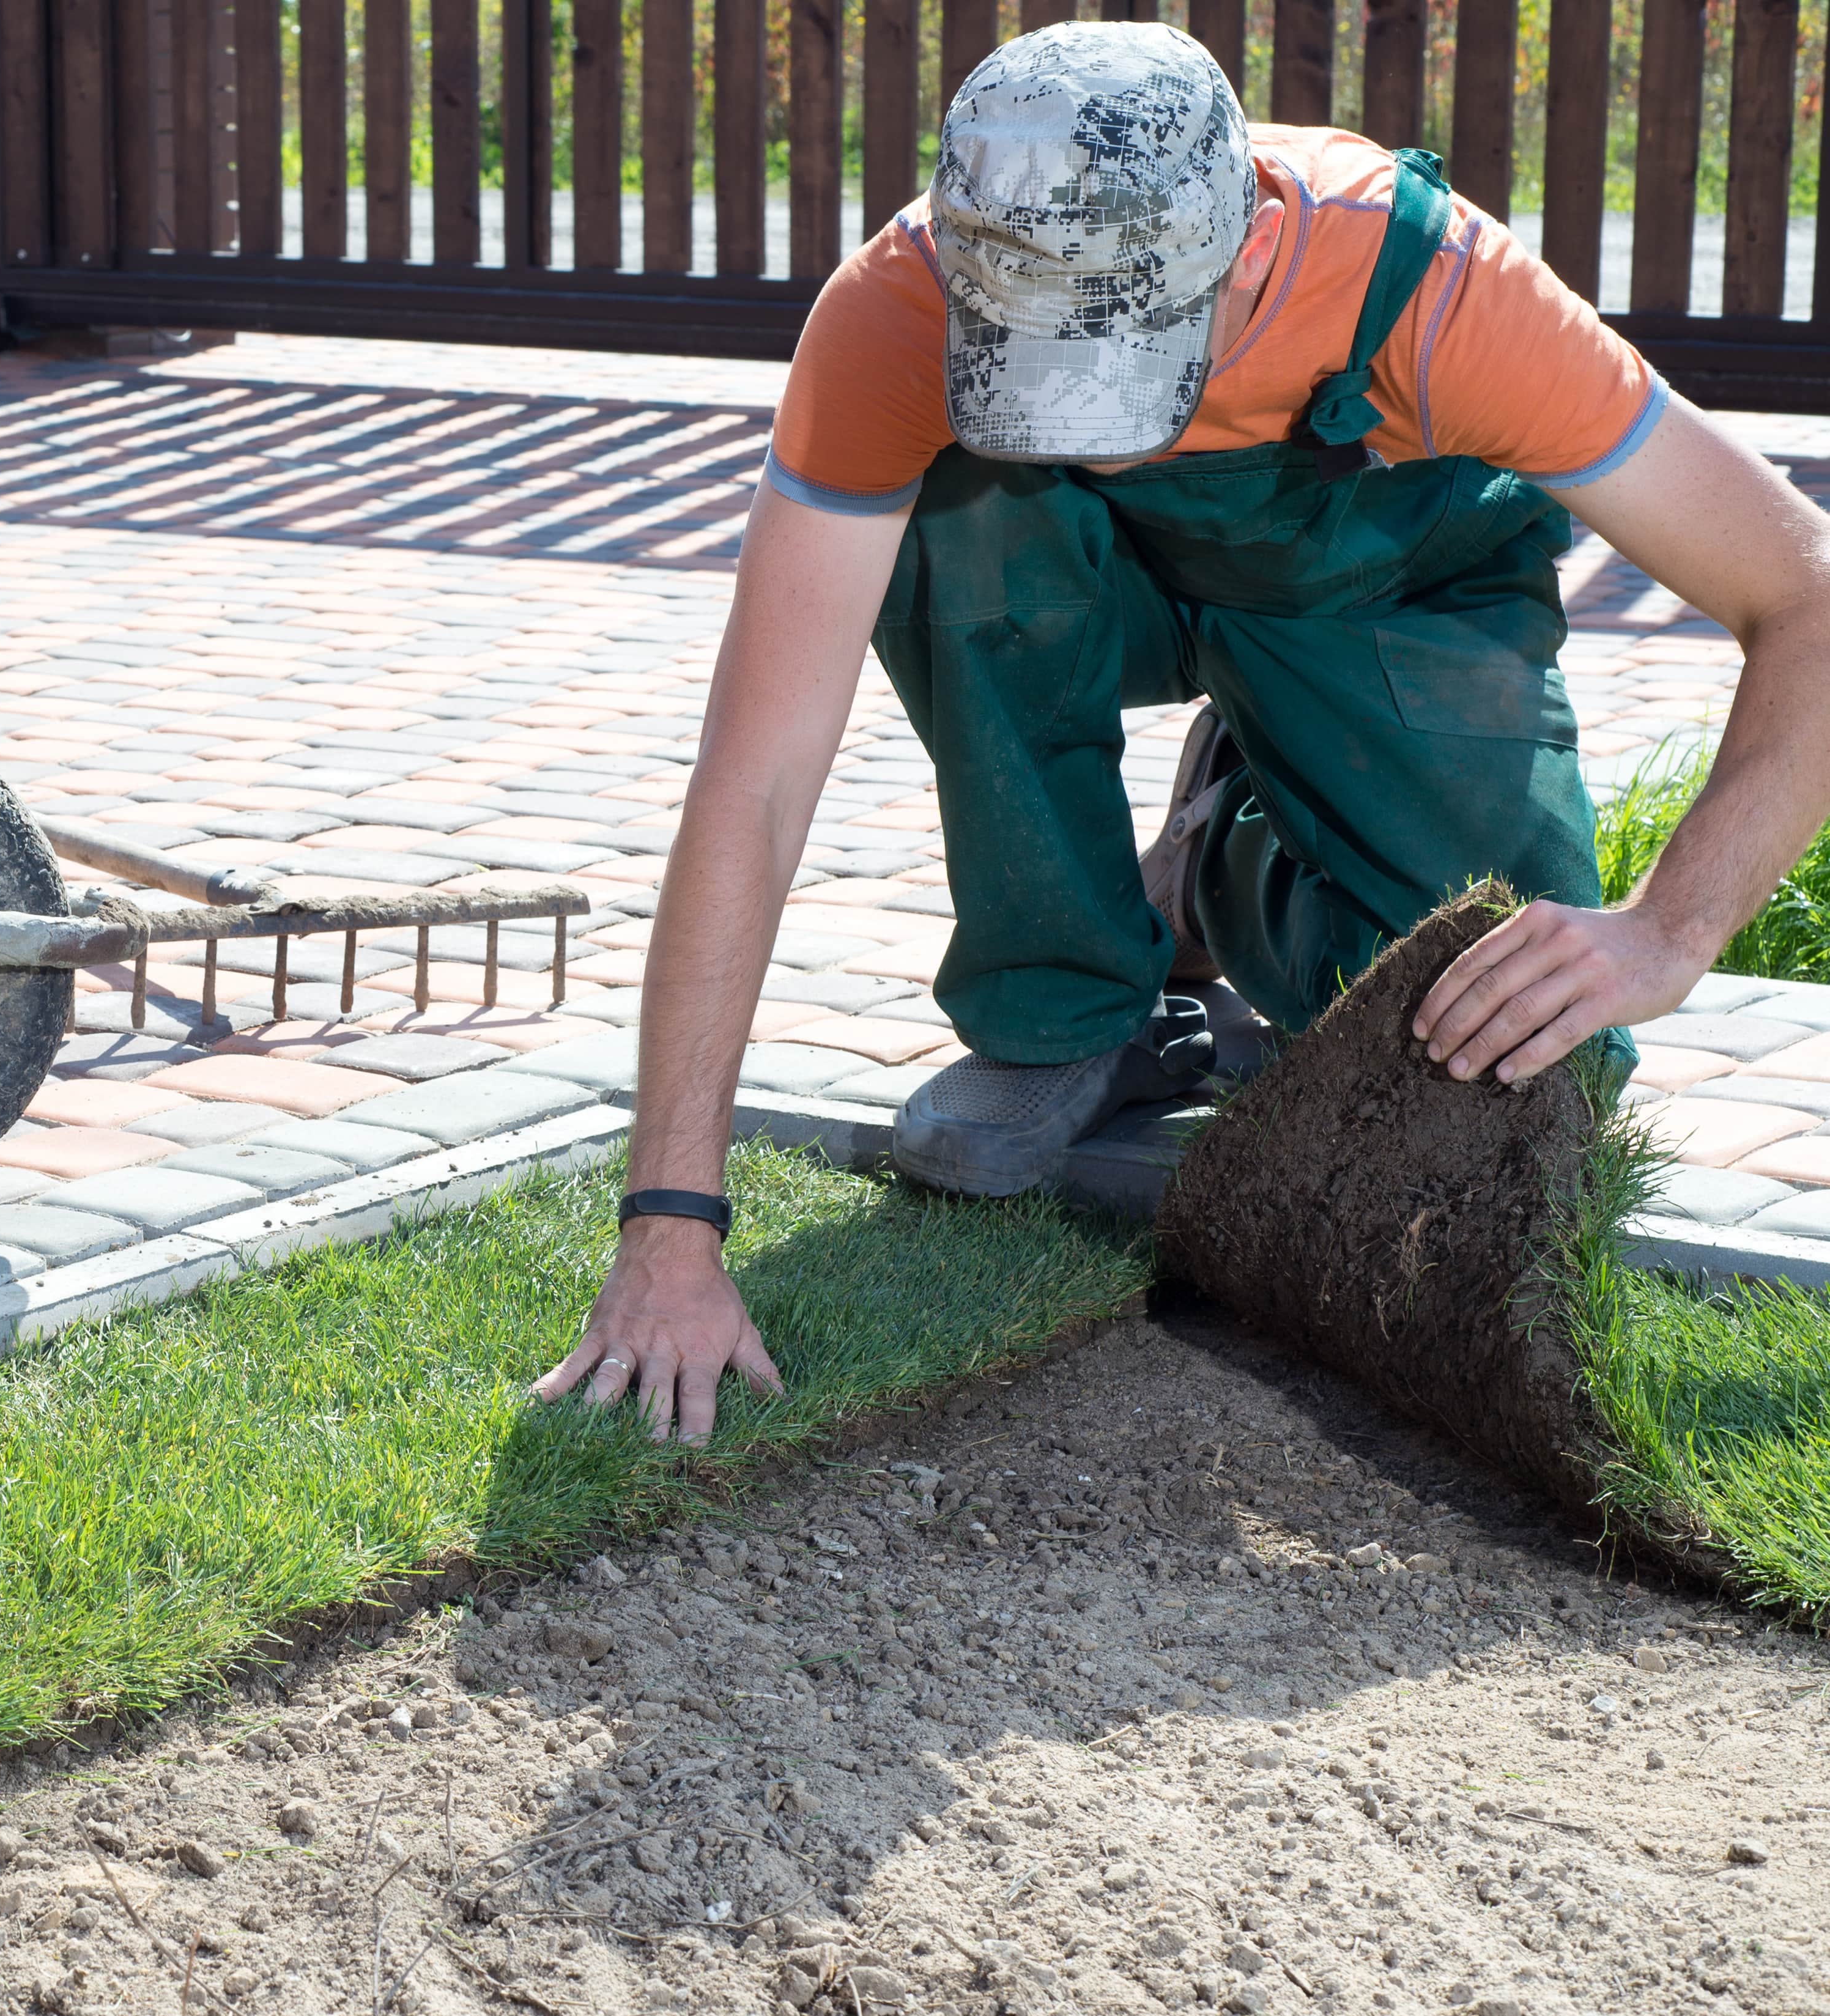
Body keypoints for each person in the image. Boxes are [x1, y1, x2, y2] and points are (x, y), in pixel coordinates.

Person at [538, 20, 1830, 1441]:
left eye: (1123, 367)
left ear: (1259, 250)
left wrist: (1668, 930)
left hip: (1375, 590)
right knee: (946, 526)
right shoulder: (900, 308)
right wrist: (671, 1223)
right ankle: (1067, 1011)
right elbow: (758, 777)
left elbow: (1808, 595)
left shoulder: (1446, 294)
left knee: (1526, 1057)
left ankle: (1226, 860)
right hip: (1097, 583)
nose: (1091, 420)